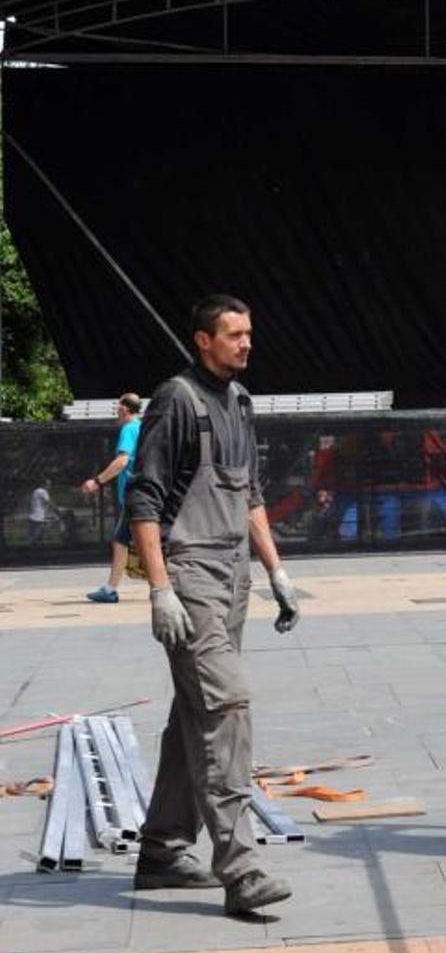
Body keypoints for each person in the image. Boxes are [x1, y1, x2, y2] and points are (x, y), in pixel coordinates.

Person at [127, 294, 301, 917]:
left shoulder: (241, 401)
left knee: (194, 713)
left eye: (249, 332)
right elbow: (143, 498)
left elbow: (250, 494)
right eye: (233, 334)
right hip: (190, 573)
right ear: (203, 340)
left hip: (233, 576)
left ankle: (164, 850)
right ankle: (242, 868)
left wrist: (276, 571)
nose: (246, 343)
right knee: (226, 708)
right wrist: (158, 587)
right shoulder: (176, 399)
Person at [84, 392, 144, 603]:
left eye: (118, 406)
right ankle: (111, 589)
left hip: (135, 496)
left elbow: (122, 461)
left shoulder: (129, 428)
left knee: (121, 541)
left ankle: (110, 590)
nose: (116, 411)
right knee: (126, 541)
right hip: (144, 494)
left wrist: (96, 482)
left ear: (125, 408)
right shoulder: (143, 427)